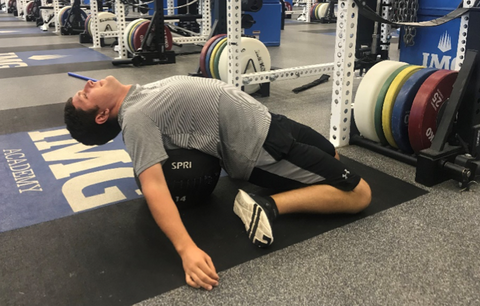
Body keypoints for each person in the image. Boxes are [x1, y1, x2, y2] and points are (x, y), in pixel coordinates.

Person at [64, 75, 372, 291]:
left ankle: (288, 189)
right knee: (359, 194)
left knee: (332, 155)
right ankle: (266, 205)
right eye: (85, 95)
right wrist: (187, 250)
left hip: (269, 121)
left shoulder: (138, 93)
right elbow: (154, 186)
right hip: (261, 148)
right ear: (103, 116)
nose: (88, 84)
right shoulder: (134, 118)